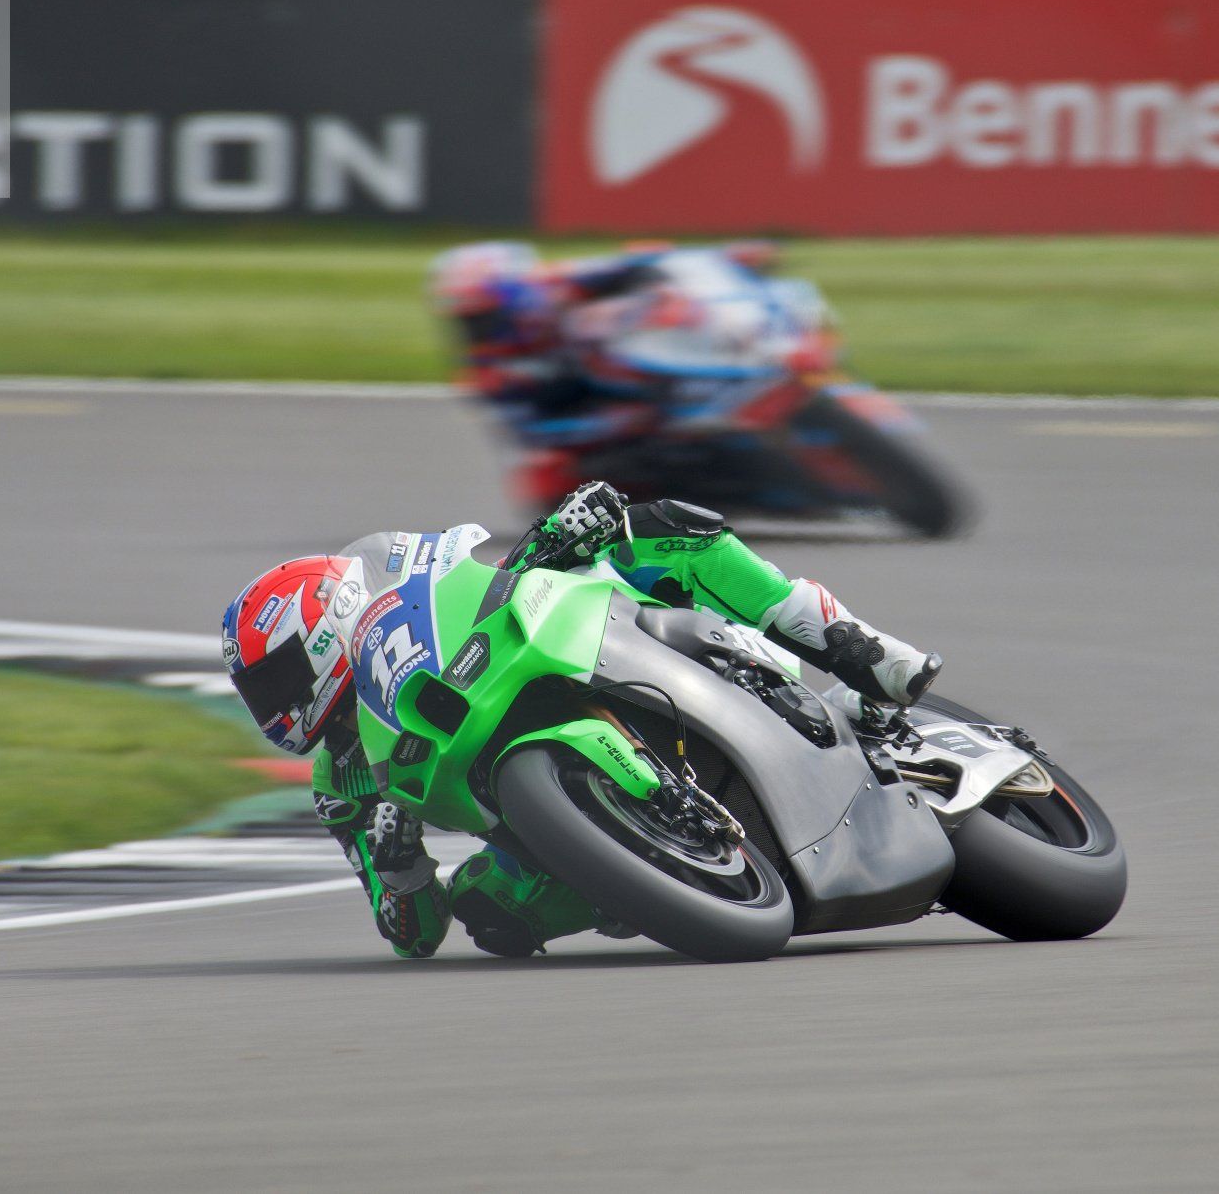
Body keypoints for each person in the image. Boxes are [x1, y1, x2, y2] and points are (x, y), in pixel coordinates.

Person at [220, 482, 941, 959]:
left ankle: (862, 652)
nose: (276, 704)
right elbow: (413, 935)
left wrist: (562, 531)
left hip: (572, 649)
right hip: (519, 816)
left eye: (276, 677)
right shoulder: (338, 783)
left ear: (323, 624)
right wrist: (400, 863)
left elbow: (489, 581)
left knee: (657, 532)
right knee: (490, 914)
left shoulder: (409, 600)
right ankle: (641, 866)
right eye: (260, 692)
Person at [428, 240, 792, 506]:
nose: (475, 333)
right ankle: (699, 500)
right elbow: (536, 432)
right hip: (596, 422)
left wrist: (724, 258)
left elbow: (642, 259)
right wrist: (620, 422)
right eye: (466, 323)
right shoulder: (489, 375)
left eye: (481, 319)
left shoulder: (557, 284)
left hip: (640, 366)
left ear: (515, 297)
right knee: (548, 485)